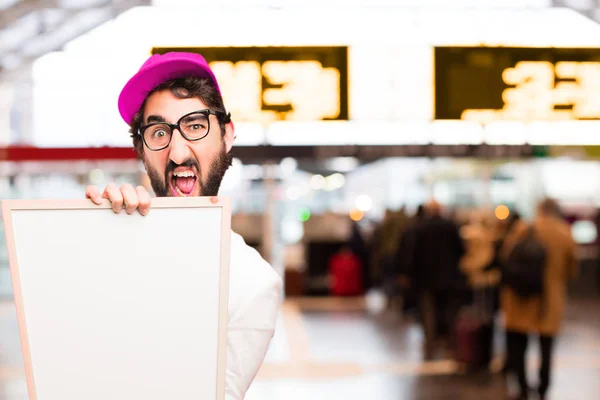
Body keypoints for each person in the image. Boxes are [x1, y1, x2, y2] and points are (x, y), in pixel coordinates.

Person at [85, 52, 283, 400]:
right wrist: (101, 237)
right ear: (142, 151)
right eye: (158, 132)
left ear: (227, 135)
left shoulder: (251, 281)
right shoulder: (111, 243)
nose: (177, 153)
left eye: (194, 125)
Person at [500, 199, 578, 400]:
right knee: (546, 346)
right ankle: (543, 388)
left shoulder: (522, 228)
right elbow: (572, 269)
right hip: (549, 299)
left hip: (520, 297)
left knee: (518, 345)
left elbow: (505, 258)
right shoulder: (564, 232)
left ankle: (523, 388)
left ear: (539, 210)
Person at [409, 200, 466, 360]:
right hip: (449, 277)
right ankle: (451, 343)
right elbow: (460, 250)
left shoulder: (420, 228)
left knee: (429, 312)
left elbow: (415, 255)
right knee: (449, 312)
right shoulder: (450, 226)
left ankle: (430, 344)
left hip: (427, 278)